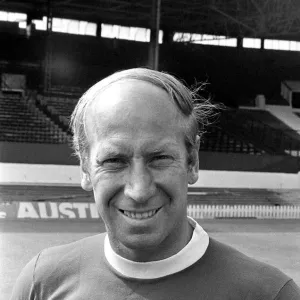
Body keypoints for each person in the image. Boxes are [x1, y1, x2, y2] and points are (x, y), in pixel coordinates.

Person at [11, 68, 300, 299]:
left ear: (192, 162)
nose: (139, 190)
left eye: (159, 158)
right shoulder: (42, 282)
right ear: (85, 168)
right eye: (114, 161)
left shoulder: (270, 293)